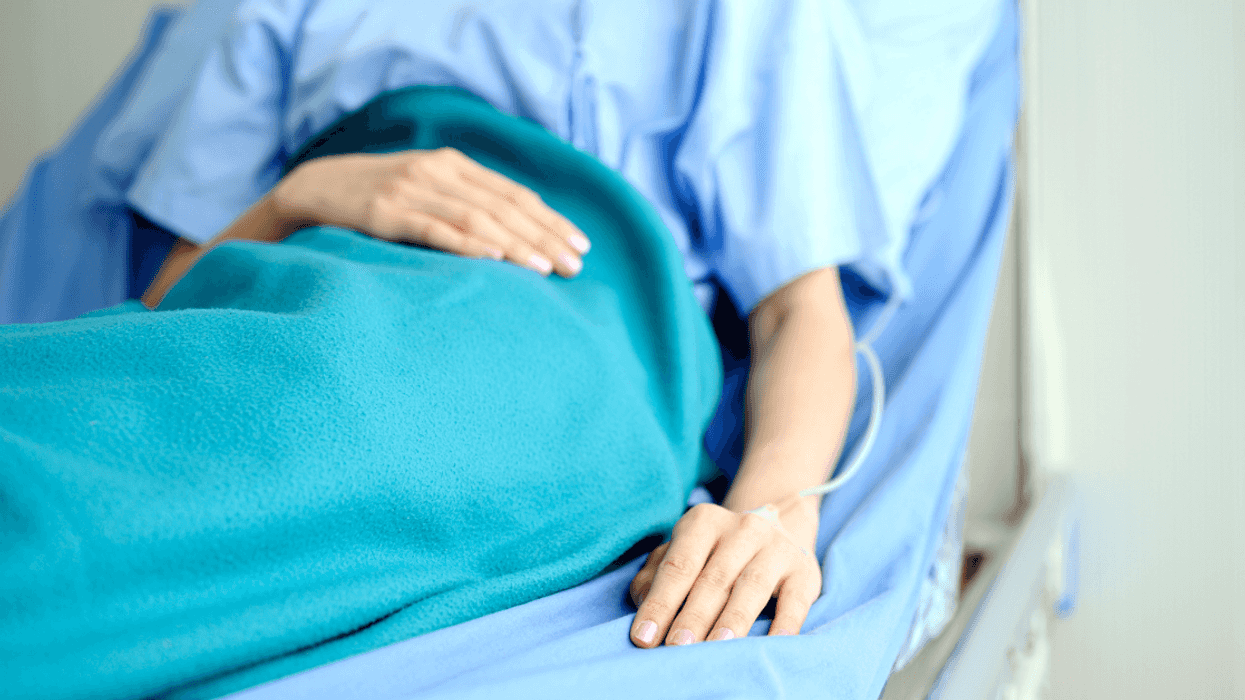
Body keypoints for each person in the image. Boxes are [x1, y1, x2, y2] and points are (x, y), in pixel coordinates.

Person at [139, 140, 857, 650]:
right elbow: (168, 301)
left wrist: (771, 510)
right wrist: (295, 196)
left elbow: (799, 307)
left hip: (553, 330)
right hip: (273, 293)